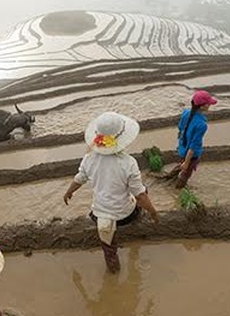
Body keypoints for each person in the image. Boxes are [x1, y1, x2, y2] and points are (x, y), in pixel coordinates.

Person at [62, 111, 161, 273]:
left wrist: (69, 192)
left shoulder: (89, 158)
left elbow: (80, 178)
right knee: (143, 189)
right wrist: (154, 213)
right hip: (126, 216)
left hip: (100, 215)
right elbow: (140, 195)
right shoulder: (128, 163)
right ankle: (137, 224)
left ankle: (113, 272)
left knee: (109, 251)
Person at [166, 90, 218, 188]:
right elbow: (193, 147)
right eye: (208, 104)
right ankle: (178, 190)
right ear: (202, 106)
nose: (210, 105)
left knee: (182, 163)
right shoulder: (202, 125)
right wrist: (187, 162)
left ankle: (170, 176)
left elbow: (180, 128)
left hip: (182, 147)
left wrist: (181, 142)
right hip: (191, 154)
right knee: (186, 173)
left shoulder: (186, 112)